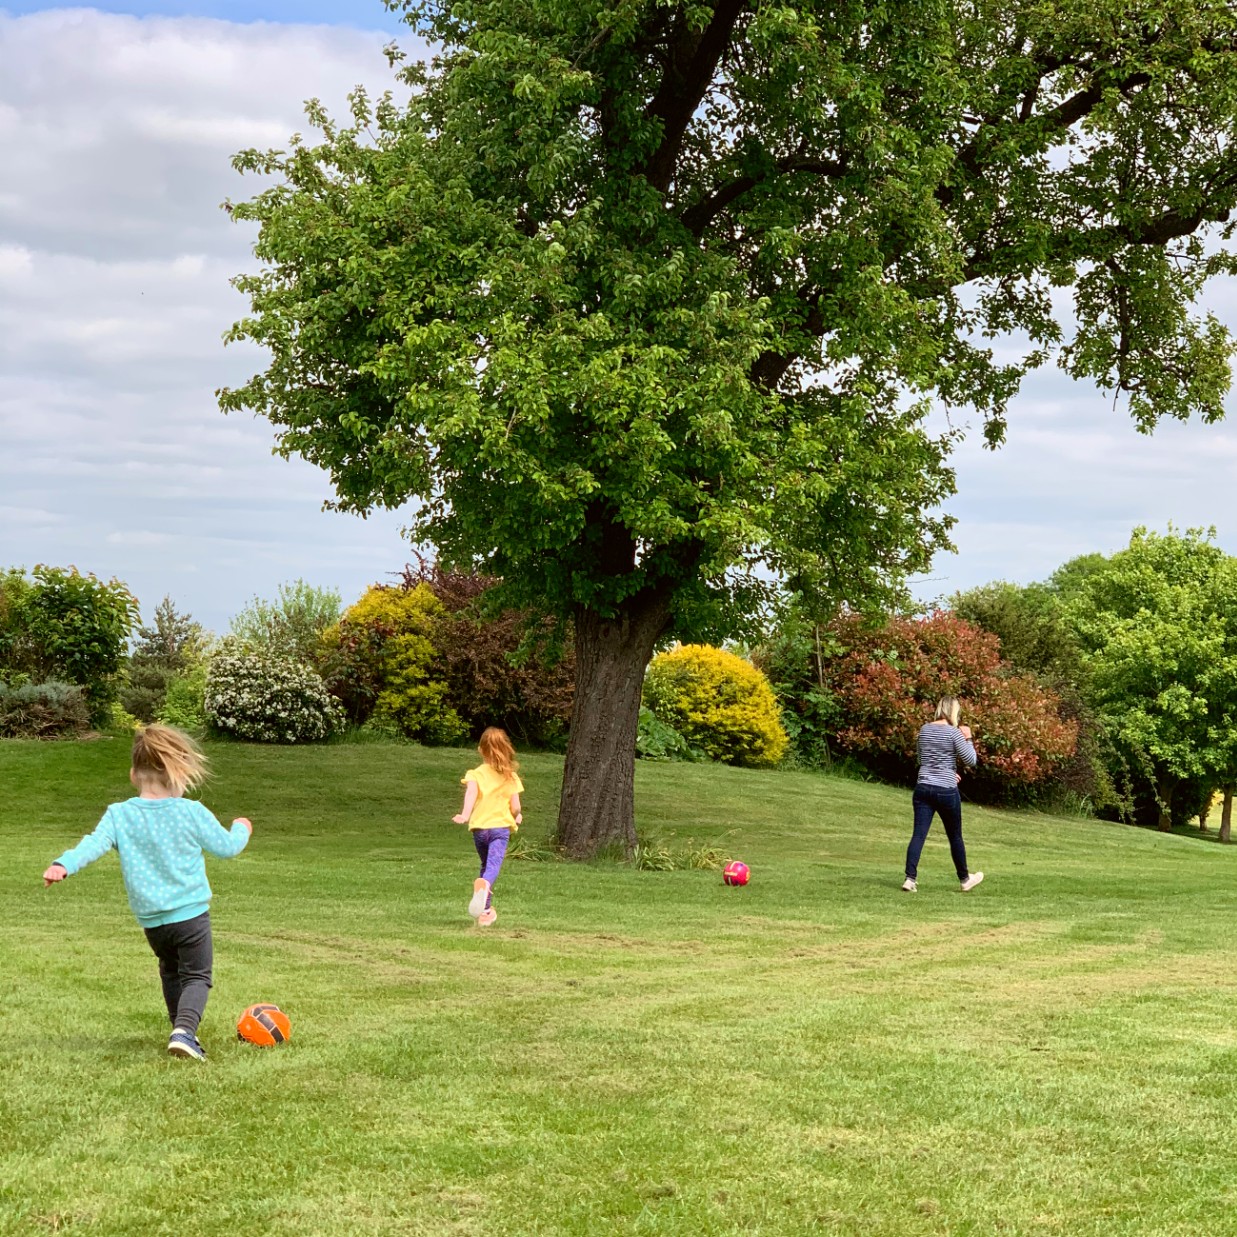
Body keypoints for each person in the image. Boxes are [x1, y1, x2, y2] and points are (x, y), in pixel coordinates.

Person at [41, 724, 251, 1061]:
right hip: (190, 916)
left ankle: (179, 1029)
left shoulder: (120, 815)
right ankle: (185, 1031)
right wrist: (242, 828)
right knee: (197, 976)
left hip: (153, 922)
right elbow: (227, 847)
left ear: (133, 774)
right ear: (178, 774)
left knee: (170, 970)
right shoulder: (190, 811)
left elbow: (93, 844)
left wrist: (63, 864)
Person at [902, 697, 983, 893]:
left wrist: (945, 770)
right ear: (953, 711)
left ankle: (910, 878)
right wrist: (968, 738)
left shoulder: (924, 729)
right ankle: (964, 879)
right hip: (945, 790)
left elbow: (922, 758)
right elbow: (971, 760)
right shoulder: (954, 733)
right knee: (955, 836)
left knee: (918, 834)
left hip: (923, 787)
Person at [453, 727, 523, 927]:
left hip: (480, 830)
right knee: (492, 868)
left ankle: (485, 912)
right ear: (506, 749)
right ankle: (485, 885)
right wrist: (516, 816)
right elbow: (516, 807)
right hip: (500, 829)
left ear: (480, 750)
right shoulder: (511, 777)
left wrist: (465, 815)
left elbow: (471, 795)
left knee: (485, 866)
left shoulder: (475, 774)